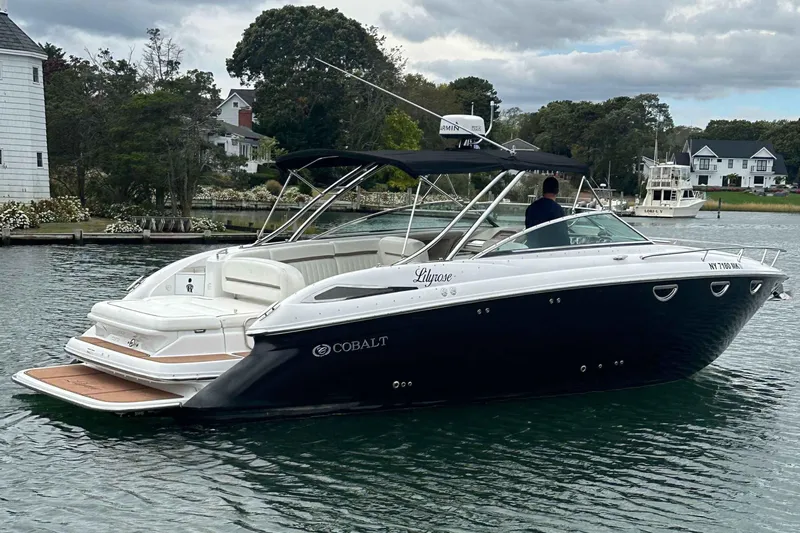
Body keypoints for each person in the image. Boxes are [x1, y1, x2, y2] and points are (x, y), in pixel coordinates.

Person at [524, 176, 570, 248]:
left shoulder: (531, 208)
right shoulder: (557, 210)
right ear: (557, 191)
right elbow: (563, 237)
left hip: (532, 249)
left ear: (543, 190)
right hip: (550, 251)